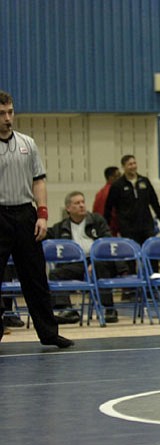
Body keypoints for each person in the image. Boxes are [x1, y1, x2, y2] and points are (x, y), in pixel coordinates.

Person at [0, 90, 73, 348]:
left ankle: (48, 333)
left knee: (35, 278)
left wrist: (42, 214)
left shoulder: (27, 143)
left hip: (25, 214)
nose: (8, 118)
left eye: (10, 112)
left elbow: (38, 180)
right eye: (2, 114)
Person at [47, 191, 128, 324]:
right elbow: (43, 236)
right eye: (77, 203)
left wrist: (95, 261)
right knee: (56, 274)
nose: (82, 205)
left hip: (98, 260)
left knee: (99, 267)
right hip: (77, 263)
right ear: (68, 208)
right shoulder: (60, 227)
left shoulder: (97, 220)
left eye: (83, 202)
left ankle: (109, 309)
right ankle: (68, 310)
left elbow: (106, 242)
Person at [104, 154, 160, 248]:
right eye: (130, 164)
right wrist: (106, 226)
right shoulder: (117, 185)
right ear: (123, 167)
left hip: (146, 226)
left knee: (151, 253)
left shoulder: (144, 181)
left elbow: (154, 202)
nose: (133, 166)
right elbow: (108, 207)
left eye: (134, 163)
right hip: (128, 228)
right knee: (132, 256)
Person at [93, 166, 121, 235]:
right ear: (111, 177)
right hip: (111, 228)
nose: (121, 179)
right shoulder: (112, 192)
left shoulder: (100, 192)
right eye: (118, 176)